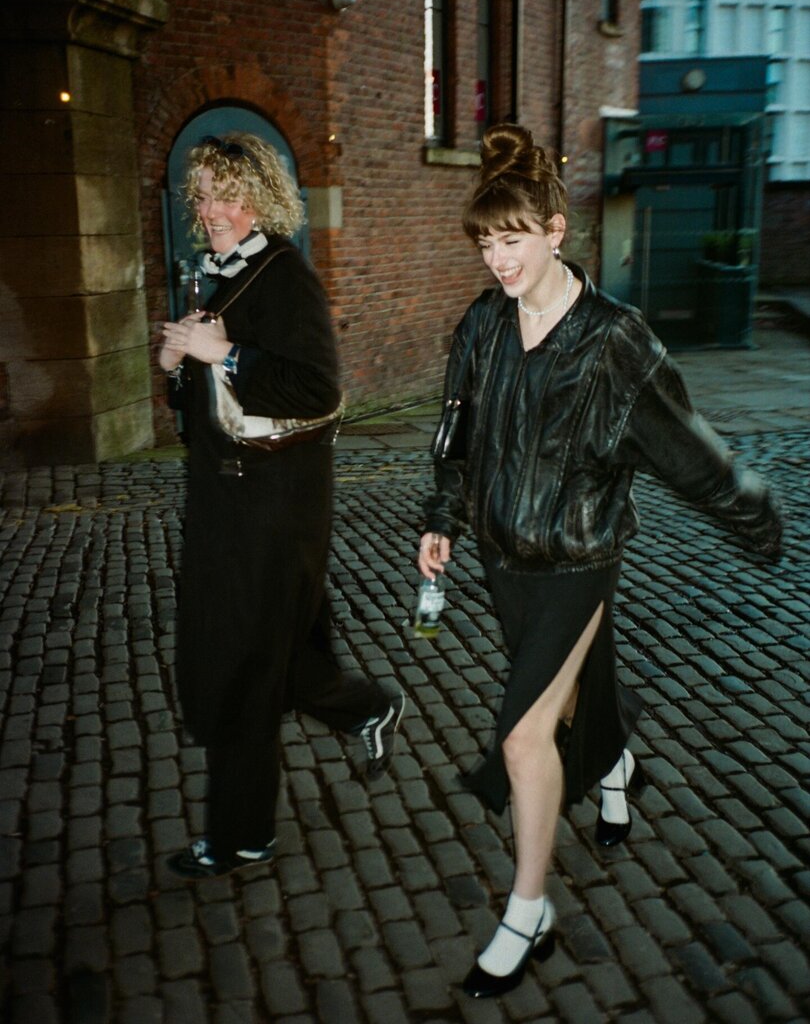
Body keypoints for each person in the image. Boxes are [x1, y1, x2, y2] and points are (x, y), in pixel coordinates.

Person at [418, 123, 782, 998]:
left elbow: (685, 445)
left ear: (555, 231)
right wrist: (442, 517)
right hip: (504, 557)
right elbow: (457, 432)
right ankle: (614, 762)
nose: (498, 262)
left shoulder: (615, 339)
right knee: (573, 690)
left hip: (578, 556)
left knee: (524, 734)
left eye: (513, 241)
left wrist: (752, 512)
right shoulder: (482, 323)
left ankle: (528, 911)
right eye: (485, 244)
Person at [159, 133, 404, 878]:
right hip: (225, 500)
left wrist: (225, 354)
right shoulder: (213, 275)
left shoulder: (284, 276)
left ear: (261, 201)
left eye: (229, 196)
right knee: (273, 649)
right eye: (204, 195)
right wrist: (175, 368)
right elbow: (202, 406)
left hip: (273, 507)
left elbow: (316, 389)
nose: (213, 211)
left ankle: (243, 834)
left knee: (241, 662)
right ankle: (364, 706)